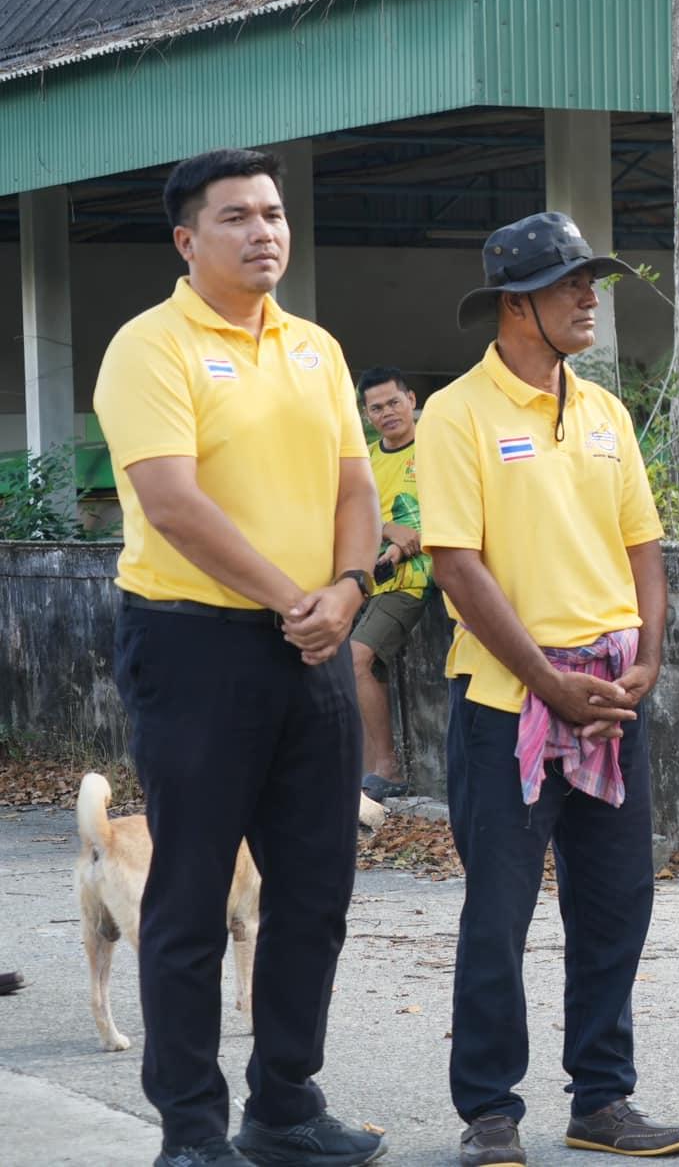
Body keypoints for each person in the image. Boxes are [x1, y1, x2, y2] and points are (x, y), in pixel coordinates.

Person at [92, 148, 388, 1167]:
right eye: (236, 217)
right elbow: (172, 501)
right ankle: (191, 1132)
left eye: (273, 213)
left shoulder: (316, 347)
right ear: (187, 239)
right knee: (191, 896)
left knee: (313, 890)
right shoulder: (151, 346)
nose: (264, 231)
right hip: (195, 645)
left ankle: (285, 1107)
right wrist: (295, 599)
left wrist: (347, 589)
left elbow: (358, 487)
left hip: (316, 643)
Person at [415, 212, 679, 1165]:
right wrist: (547, 680)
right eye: (569, 282)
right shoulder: (457, 413)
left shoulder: (604, 411)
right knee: (499, 912)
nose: (588, 297)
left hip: (611, 700)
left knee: (616, 903)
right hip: (508, 704)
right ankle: (489, 1112)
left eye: (591, 281)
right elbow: (457, 565)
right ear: (514, 303)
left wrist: (647, 662)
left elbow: (643, 546)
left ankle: (602, 1100)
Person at [351, 366, 430, 803]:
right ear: (367, 415)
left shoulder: (437, 448)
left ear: (411, 400)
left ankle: (388, 767)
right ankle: (366, 770)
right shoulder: (365, 459)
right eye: (377, 408)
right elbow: (348, 512)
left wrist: (402, 546)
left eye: (394, 402)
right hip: (368, 579)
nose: (387, 413)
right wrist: (388, 531)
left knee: (357, 657)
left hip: (417, 579)